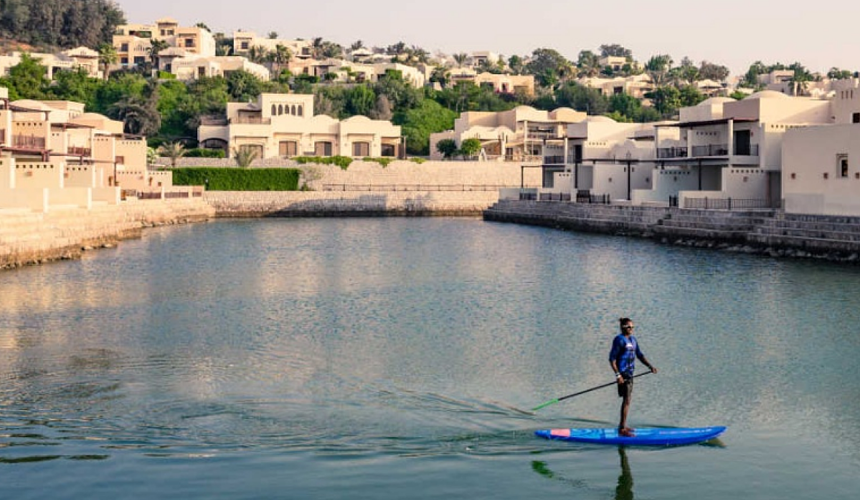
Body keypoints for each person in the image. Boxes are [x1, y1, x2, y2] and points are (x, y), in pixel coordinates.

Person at [609, 317, 657, 437]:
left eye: (632, 327)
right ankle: (622, 428)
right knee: (627, 400)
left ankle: (623, 426)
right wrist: (618, 375)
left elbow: (639, 355)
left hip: (630, 374)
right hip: (623, 374)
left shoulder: (633, 340)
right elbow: (612, 359)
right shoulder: (619, 340)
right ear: (623, 327)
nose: (631, 329)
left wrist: (650, 366)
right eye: (629, 327)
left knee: (627, 400)